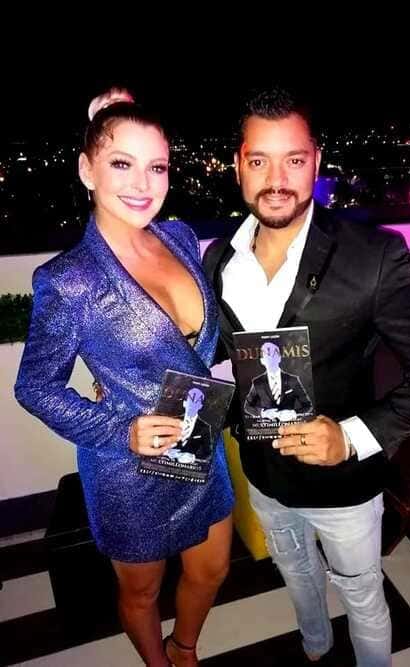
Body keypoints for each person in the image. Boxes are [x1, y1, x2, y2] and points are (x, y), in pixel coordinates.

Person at [203, 87, 410, 666]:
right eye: (259, 160)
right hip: (263, 473)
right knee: (295, 569)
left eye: (293, 160)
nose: (276, 180)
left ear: (316, 161)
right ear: (238, 166)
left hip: (343, 485)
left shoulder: (372, 255)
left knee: (362, 593)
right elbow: (222, 354)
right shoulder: (218, 259)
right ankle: (316, 646)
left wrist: (349, 436)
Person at [15, 88, 234, 667]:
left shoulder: (179, 237)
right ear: (86, 170)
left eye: (156, 166)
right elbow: (34, 387)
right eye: (121, 163)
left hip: (199, 442)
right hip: (129, 468)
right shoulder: (68, 280)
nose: (142, 183)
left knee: (212, 568)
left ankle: (184, 647)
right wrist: (121, 429)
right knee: (141, 591)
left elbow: (190, 343)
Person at [244, 341, 313, 421]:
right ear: (262, 360)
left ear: (279, 358)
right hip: (266, 426)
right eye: (267, 355)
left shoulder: (292, 380)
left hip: (290, 426)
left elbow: (308, 406)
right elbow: (247, 406)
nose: (270, 358)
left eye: (274, 354)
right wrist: (263, 413)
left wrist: (293, 413)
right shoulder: (258, 382)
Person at [166, 387, 212, 463]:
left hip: (190, 467)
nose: (193, 404)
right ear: (184, 403)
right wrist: (167, 452)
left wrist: (193, 458)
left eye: (197, 402)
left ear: (200, 406)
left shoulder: (205, 428)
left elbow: (208, 454)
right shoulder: (172, 421)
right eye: (191, 400)